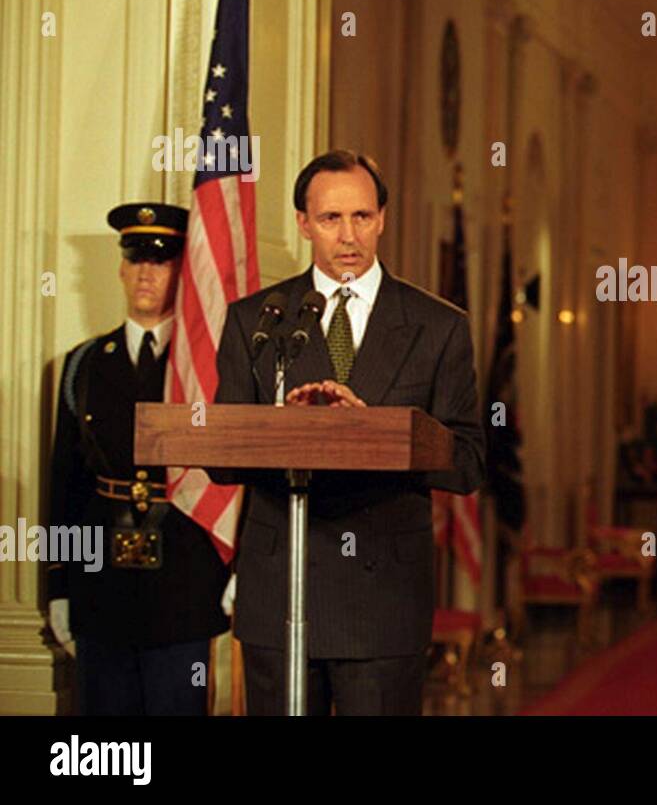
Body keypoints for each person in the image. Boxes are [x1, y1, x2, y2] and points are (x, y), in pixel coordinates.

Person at [214, 150, 485, 715]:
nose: (348, 235)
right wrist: (285, 430)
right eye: (331, 219)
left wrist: (373, 433)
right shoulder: (256, 320)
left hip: (381, 599)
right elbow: (221, 454)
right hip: (280, 589)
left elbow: (468, 461)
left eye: (361, 217)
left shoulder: (439, 326)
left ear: (382, 218)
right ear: (303, 224)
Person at [47, 202, 230, 714]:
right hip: (101, 584)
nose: (147, 272)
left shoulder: (206, 369)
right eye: (137, 258)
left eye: (163, 260)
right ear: (121, 268)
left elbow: (235, 475)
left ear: (182, 271)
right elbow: (66, 483)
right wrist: (59, 585)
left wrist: (239, 566)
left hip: (185, 584)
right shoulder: (84, 363)